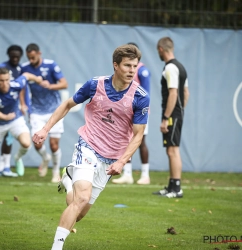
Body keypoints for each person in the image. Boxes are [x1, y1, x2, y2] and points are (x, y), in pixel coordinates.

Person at [32, 44, 150, 250]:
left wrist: (122, 161)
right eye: (127, 65)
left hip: (111, 158)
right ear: (115, 65)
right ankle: (56, 247)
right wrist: (44, 129)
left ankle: (69, 181)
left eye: (135, 66)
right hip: (88, 146)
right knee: (82, 197)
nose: (132, 70)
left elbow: (138, 135)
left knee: (79, 211)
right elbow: (67, 105)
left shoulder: (140, 96)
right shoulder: (95, 85)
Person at [0, 67, 44, 184]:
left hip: (15, 121)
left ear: (9, 79)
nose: (4, 83)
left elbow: (26, 75)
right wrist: (6, 117)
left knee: (26, 143)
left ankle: (17, 158)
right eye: (1, 80)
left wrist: (37, 79)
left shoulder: (16, 85)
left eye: (7, 80)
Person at [21, 43, 68, 182]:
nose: (31, 60)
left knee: (54, 145)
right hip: (36, 110)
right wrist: (23, 103)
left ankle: (55, 172)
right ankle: (45, 158)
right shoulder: (25, 68)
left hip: (54, 110)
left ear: (39, 53)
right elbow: (22, 86)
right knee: (37, 142)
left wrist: (51, 86)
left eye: (33, 57)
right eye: (29, 58)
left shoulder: (51, 65)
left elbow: (64, 84)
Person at [152, 37, 189, 198]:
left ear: (161, 49)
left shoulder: (170, 68)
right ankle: (171, 186)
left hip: (172, 114)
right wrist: (181, 111)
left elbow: (174, 93)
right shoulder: (181, 67)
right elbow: (186, 93)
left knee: (173, 150)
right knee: (171, 150)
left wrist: (167, 117)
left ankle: (177, 188)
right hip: (177, 113)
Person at [112, 42, 151, 185]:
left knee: (141, 141)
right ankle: (127, 174)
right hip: (126, 111)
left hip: (140, 111)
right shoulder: (125, 67)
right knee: (126, 141)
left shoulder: (142, 70)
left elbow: (146, 93)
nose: (131, 69)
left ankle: (145, 175)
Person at [0, 45, 26, 177]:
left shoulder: (20, 69)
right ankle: (2, 166)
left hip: (14, 108)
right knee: (3, 137)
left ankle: (4, 166)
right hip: (2, 107)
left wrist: (23, 104)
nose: (15, 58)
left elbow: (21, 88)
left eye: (17, 56)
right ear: (9, 55)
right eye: (13, 56)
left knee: (10, 137)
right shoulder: (1, 68)